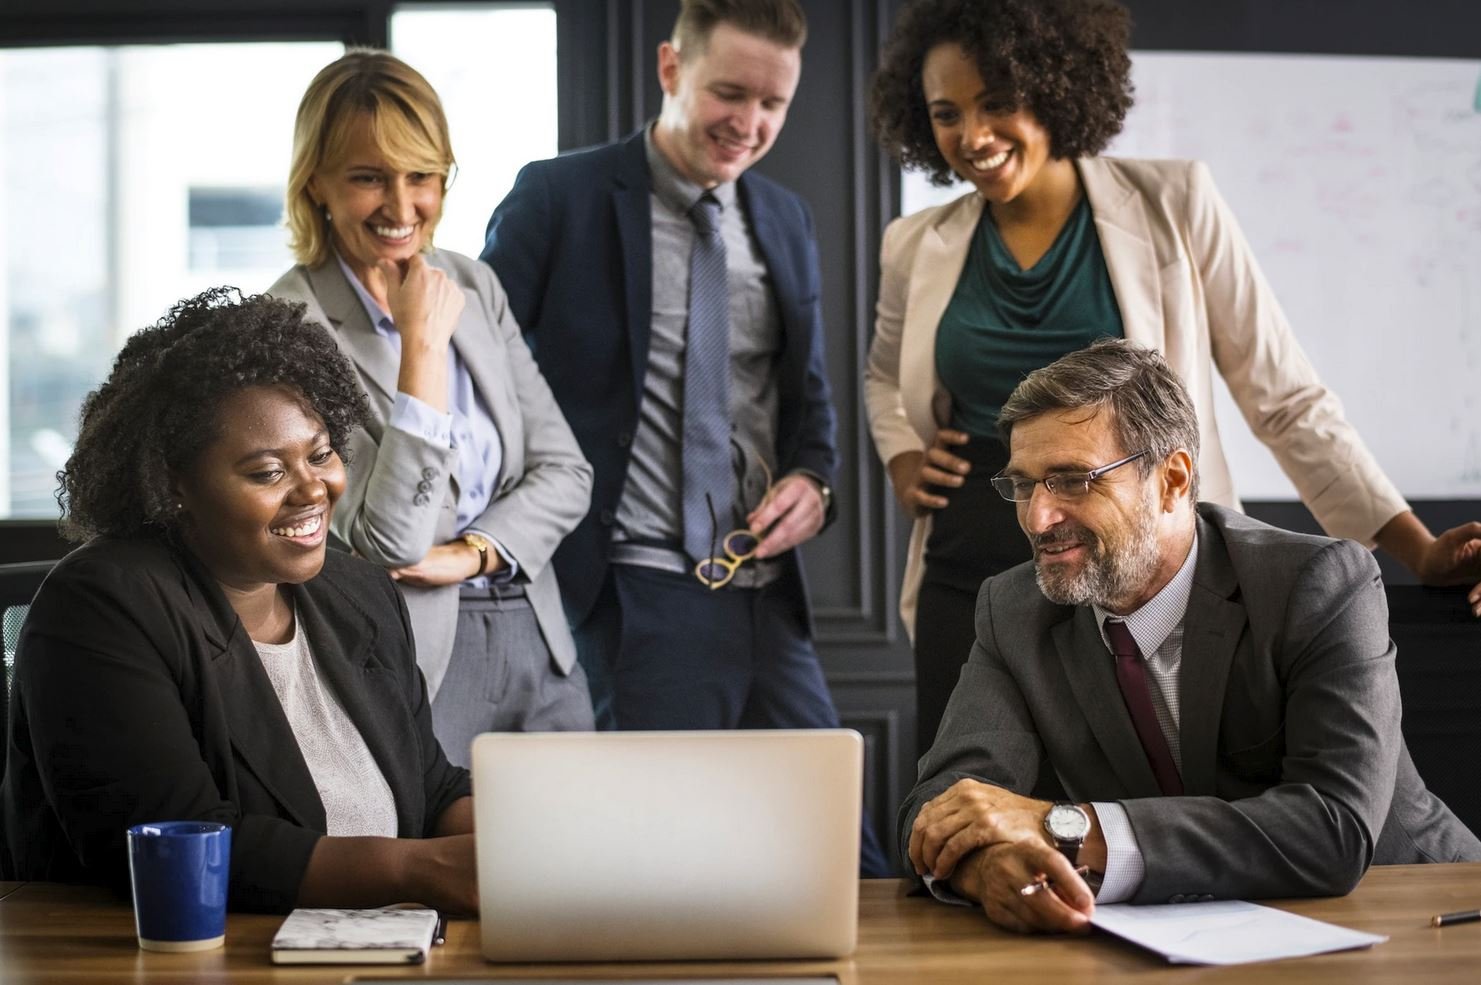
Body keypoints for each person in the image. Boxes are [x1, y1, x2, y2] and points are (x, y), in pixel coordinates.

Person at [864, 0, 1481, 755]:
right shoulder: (912, 243)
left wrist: (1414, 546)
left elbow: (1281, 395)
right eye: (945, 113)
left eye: (998, 103)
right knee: (964, 796)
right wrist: (900, 452)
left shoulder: (1173, 202)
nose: (972, 136)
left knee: (1139, 802)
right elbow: (881, 379)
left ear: (1056, 84)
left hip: (1134, 559)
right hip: (968, 559)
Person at [900, 338, 1481, 934]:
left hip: (1416, 914)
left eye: (1072, 480)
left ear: (1173, 480)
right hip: (1185, 939)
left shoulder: (1319, 582)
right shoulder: (1014, 609)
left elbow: (1333, 826)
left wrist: (1063, 827)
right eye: (1024, 485)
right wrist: (991, 865)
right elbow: (941, 805)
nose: (1038, 518)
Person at [0, 289, 478, 913]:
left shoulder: (355, 593)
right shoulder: (101, 606)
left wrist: (530, 831)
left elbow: (431, 788)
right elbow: (174, 838)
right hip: (166, 958)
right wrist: (419, 871)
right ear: (175, 484)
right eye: (266, 472)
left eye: (320, 453)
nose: (313, 489)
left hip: (365, 948)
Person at [268, 51, 595, 766]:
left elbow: (566, 471)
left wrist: (471, 552)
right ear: (316, 183)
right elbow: (388, 540)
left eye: (422, 176)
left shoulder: (472, 284)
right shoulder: (288, 323)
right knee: (441, 871)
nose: (401, 204)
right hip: (411, 649)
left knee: (579, 865)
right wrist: (421, 348)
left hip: (535, 632)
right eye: (368, 177)